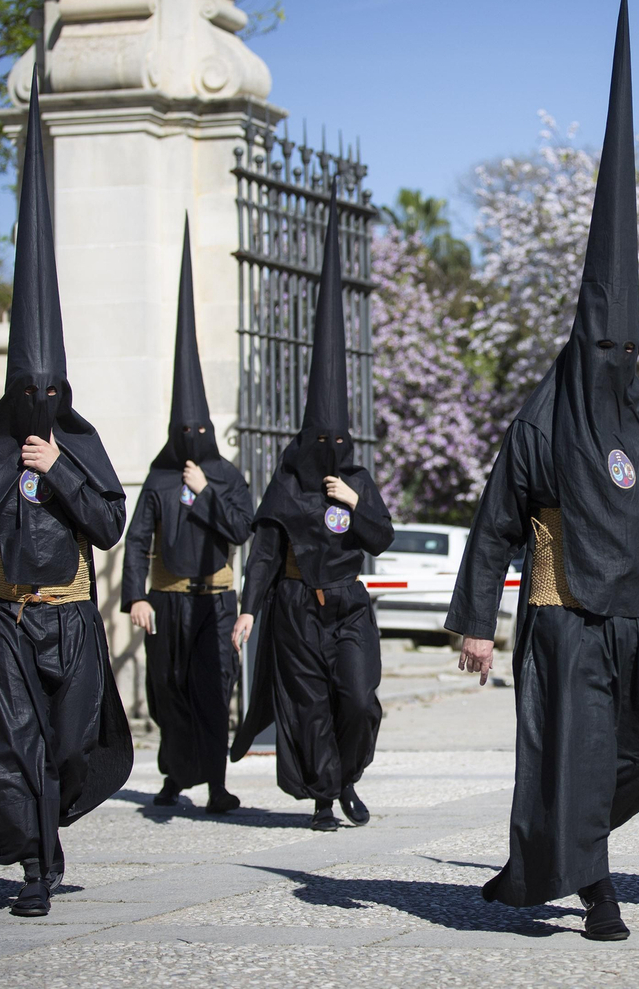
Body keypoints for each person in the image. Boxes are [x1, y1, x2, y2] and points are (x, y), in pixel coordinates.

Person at [445, 0, 639, 943]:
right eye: (603, 350)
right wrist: (476, 620)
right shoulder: (542, 420)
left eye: (623, 353)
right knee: (578, 754)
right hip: (562, 616)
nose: (614, 367)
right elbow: (493, 523)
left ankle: (540, 859)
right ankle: (596, 892)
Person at [0, 75, 132, 918]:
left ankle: (51, 828)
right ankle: (35, 871)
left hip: (75, 615)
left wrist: (58, 467)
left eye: (50, 392)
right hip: (5, 618)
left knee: (70, 743)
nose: (38, 405)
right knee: (12, 746)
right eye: (28, 393)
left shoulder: (76, 446)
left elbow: (110, 524)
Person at [230, 188, 394, 832]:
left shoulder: (355, 477)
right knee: (308, 704)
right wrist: (248, 610)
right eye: (318, 444)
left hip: (349, 603)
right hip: (298, 608)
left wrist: (354, 505)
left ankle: (348, 772)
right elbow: (266, 552)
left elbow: (380, 537)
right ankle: (327, 794)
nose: (328, 453)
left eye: (336, 444)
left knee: (357, 699)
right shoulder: (287, 484)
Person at [122, 219, 253, 814]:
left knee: (212, 688)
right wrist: (135, 598)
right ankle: (176, 774)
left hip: (216, 598)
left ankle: (219, 783)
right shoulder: (157, 477)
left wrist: (204, 494)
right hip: (167, 598)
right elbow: (136, 538)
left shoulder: (224, 476)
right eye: (184, 433)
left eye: (199, 432)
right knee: (167, 689)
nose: (192, 439)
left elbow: (241, 531)